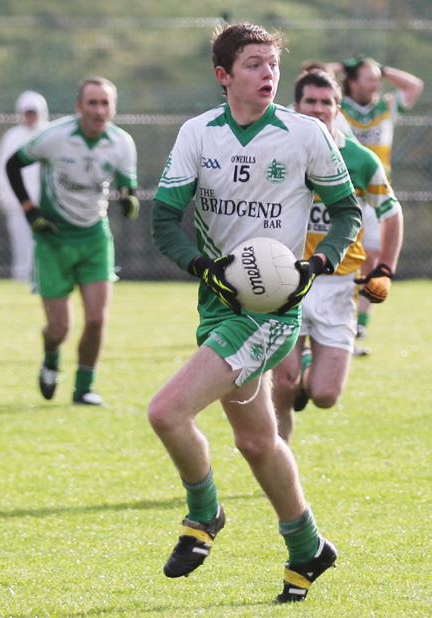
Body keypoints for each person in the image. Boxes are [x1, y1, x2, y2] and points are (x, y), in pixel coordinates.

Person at [149, 23, 362, 604]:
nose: (268, 74)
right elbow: (165, 219)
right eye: (252, 64)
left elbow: (346, 212)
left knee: (167, 412)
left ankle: (203, 516)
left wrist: (318, 265)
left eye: (272, 64)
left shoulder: (306, 134)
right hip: (218, 303)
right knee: (257, 443)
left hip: (272, 310)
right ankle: (309, 548)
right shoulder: (199, 134)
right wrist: (204, 267)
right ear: (223, 76)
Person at [272, 69, 403, 442]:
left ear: (338, 107)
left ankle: (310, 366)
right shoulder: (277, 151)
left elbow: (392, 214)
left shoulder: (360, 160)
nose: (317, 109)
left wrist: (384, 271)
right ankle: (278, 465)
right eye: (309, 102)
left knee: (325, 396)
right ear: (295, 107)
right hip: (286, 281)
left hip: (339, 285)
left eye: (325, 102)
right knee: (282, 383)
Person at [6, 76, 139, 406]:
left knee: (96, 319)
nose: (99, 110)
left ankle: (83, 389)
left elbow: (127, 187)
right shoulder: (54, 138)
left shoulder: (121, 142)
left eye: (105, 103)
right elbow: (13, 165)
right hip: (52, 242)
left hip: (94, 238)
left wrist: (128, 200)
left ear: (113, 108)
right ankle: (51, 356)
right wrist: (29, 210)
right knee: (59, 328)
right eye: (92, 103)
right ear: (79, 107)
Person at [327, 56, 423, 345]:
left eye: (377, 79)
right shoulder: (337, 107)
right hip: (347, 192)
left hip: (377, 193)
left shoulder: (385, 106)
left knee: (371, 258)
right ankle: (336, 317)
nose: (376, 83)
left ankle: (360, 322)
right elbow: (315, 74)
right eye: (369, 78)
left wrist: (382, 68)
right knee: (345, 256)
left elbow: (415, 86)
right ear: (352, 83)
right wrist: (344, 66)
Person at [0, 91, 49, 281]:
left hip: (44, 203)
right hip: (17, 204)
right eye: (27, 112)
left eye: (33, 112)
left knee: (43, 244)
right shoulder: (12, 136)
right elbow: (2, 169)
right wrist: (7, 198)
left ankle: (43, 279)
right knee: (21, 245)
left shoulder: (48, 135)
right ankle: (21, 278)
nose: (30, 116)